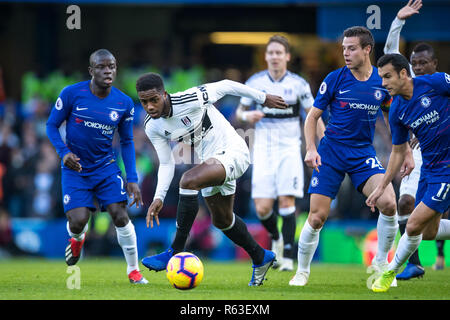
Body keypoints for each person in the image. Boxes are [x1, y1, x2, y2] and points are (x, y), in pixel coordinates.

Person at [137, 72, 288, 286]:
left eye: (154, 100)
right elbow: (167, 162)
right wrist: (158, 196)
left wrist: (263, 98)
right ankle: (260, 256)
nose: (150, 106)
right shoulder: (152, 125)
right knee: (222, 220)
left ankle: (175, 250)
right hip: (213, 162)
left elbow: (226, 85)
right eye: (144, 102)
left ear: (164, 94)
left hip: (234, 152)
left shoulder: (191, 98)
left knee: (188, 180)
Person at [289, 26, 412, 287]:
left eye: (352, 48)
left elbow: (393, 121)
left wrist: (407, 151)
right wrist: (311, 148)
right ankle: (302, 271)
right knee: (316, 217)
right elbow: (312, 117)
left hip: (362, 155)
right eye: (344, 48)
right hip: (331, 153)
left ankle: (380, 262)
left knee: (389, 202)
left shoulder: (382, 82)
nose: (345, 53)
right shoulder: (334, 79)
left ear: (367, 49)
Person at [46, 49, 148, 284]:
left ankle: (133, 271)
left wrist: (131, 178)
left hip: (105, 167)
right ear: (91, 71)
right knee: (78, 220)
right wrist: (64, 153)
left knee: (120, 215)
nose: (107, 71)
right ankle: (78, 237)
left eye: (111, 66)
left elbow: (127, 141)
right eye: (101, 67)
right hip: (76, 167)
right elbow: (51, 126)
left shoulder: (123, 102)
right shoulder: (71, 93)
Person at [235, 35, 325, 271]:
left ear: (287, 56)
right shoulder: (255, 82)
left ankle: (286, 256)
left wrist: (323, 144)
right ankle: (276, 236)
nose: (274, 57)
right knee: (262, 208)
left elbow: (312, 115)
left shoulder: (298, 84)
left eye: (279, 53)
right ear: (265, 57)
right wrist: (248, 116)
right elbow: (240, 112)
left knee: (287, 201)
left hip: (288, 148)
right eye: (271, 53)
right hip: (263, 148)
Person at [368, 53, 450, 292]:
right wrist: (382, 186)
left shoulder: (435, 82)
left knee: (413, 225)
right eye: (381, 78)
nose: (383, 83)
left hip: (447, 169)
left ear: (404, 74)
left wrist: (397, 25)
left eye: (387, 76)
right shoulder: (396, 111)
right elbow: (397, 152)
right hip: (429, 170)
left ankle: (388, 273)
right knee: (428, 232)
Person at [384, 0, 447, 280]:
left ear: (433, 64)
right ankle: (416, 263)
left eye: (424, 63)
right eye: (415, 63)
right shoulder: (399, 103)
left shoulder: (435, 83)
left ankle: (394, 270)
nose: (419, 67)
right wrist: (398, 21)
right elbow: (389, 55)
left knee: (415, 223)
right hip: (420, 153)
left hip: (443, 157)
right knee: (422, 222)